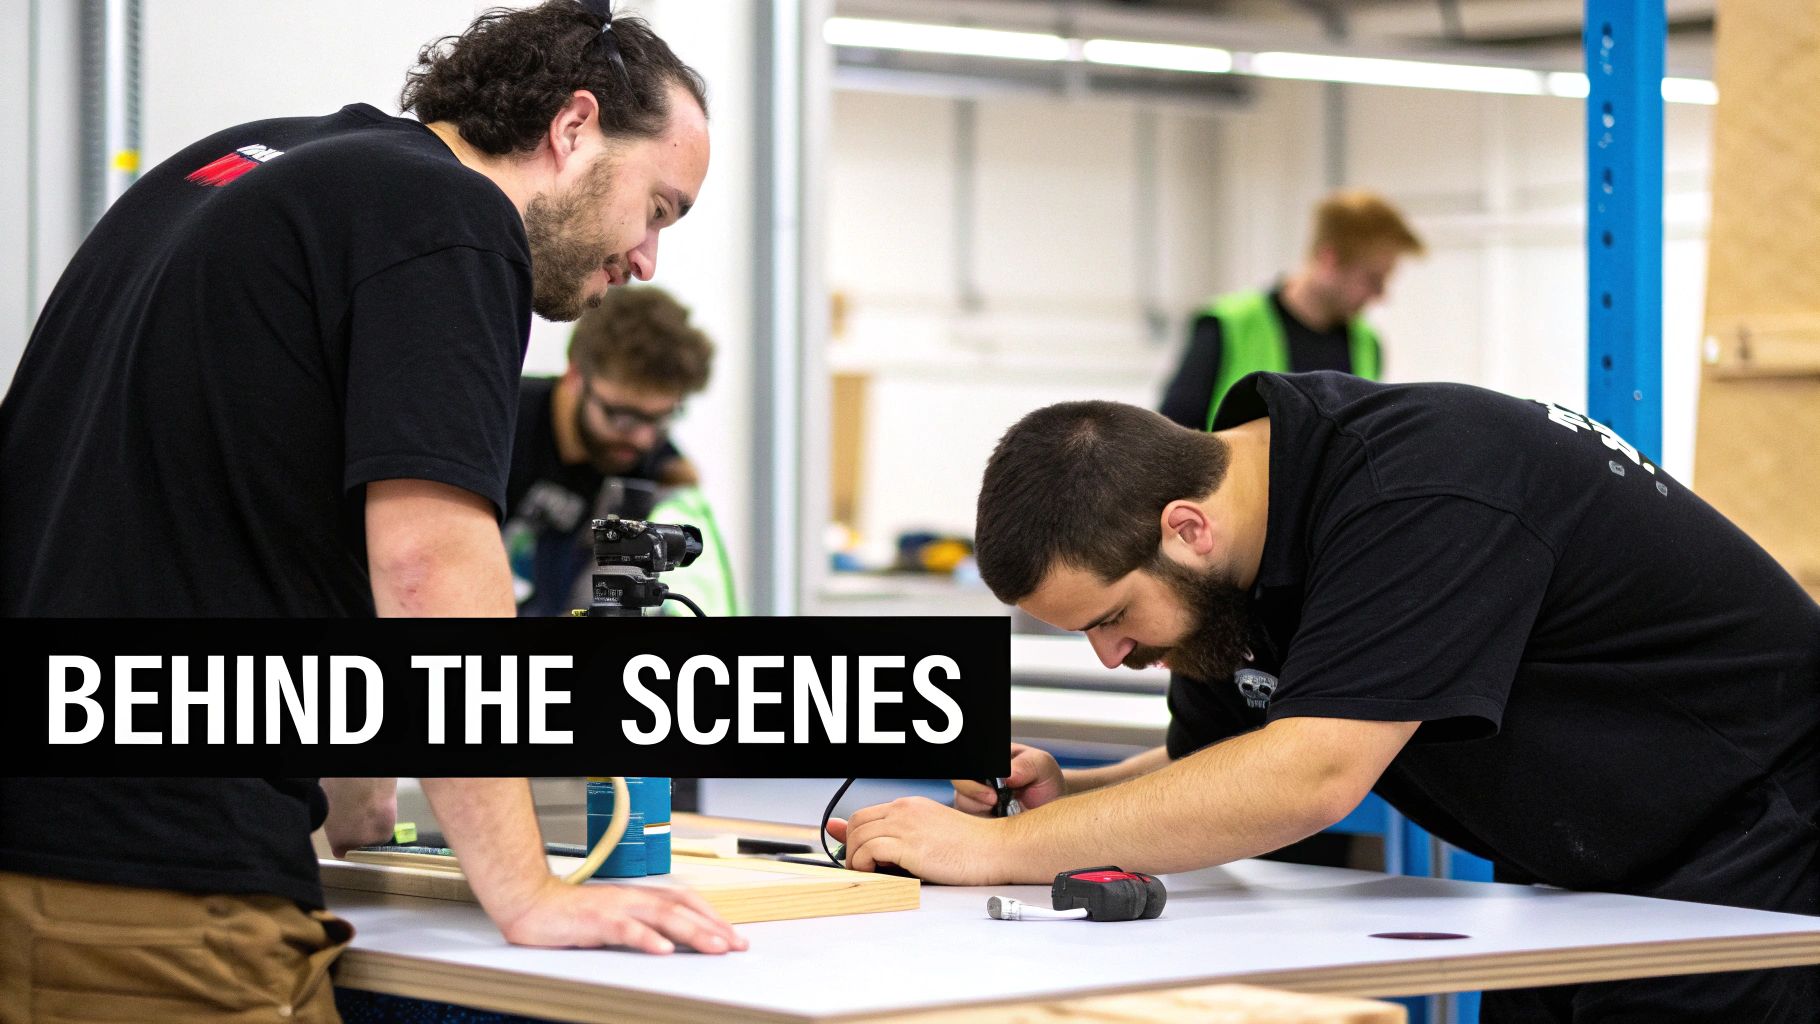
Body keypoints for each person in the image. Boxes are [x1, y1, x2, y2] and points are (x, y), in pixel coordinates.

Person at [0, 3, 743, 1018]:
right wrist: (524, 888)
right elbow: (430, 568)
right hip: (158, 886)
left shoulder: (236, 168)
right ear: (572, 129)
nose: (647, 258)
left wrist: (352, 778)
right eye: (657, 207)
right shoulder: (452, 221)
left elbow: (235, 502)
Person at [831, 371, 1819, 1021]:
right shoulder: (1236, 575)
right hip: (1595, 874)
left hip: (1763, 834)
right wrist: (1074, 799)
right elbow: (1214, 771)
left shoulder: (1418, 487)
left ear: (1186, 528)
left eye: (1111, 615)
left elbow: (1308, 777)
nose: (1108, 653)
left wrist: (992, 848)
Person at [505, 285, 738, 618]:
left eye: (660, 419)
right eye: (623, 417)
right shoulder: (500, 424)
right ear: (575, 376)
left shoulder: (648, 462)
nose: (642, 441)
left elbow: (684, 484)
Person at [1158, 190, 1423, 432]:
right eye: (1372, 279)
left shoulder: (1367, 345)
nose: (1380, 295)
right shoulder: (1228, 325)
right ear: (1329, 260)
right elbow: (1172, 443)